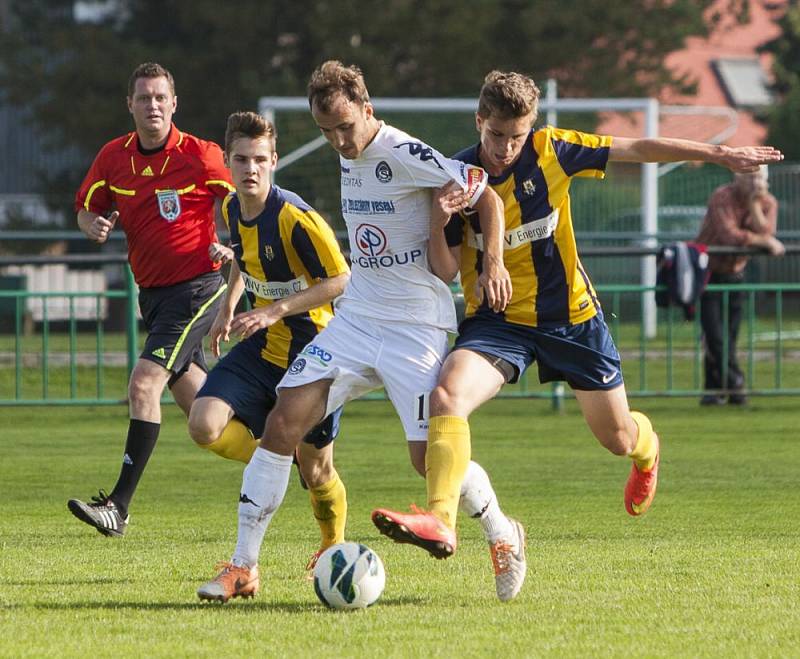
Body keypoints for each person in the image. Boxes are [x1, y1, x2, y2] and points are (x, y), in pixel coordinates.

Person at [373, 70, 784, 554]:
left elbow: (640, 148)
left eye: (516, 136)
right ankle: (441, 520)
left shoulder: (555, 150)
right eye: (496, 135)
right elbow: (442, 271)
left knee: (617, 437)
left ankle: (647, 449)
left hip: (571, 319)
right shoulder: (455, 177)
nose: (506, 148)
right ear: (479, 121)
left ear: (532, 128)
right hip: (498, 322)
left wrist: (719, 155)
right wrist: (438, 219)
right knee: (446, 395)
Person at [197, 60, 526, 604]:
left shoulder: (402, 151)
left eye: (346, 128)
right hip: (356, 321)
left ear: (367, 110)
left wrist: (492, 261)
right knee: (284, 422)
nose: (339, 142)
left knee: (428, 462)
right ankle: (243, 567)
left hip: (416, 326)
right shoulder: (347, 155)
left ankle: (501, 530)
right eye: (326, 132)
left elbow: (485, 195)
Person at [68, 62, 234, 536]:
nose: (153, 105)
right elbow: (86, 206)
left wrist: (235, 244)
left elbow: (248, 195)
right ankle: (290, 446)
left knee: (143, 387)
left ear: (174, 104)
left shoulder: (201, 155)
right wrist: (91, 225)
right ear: (131, 105)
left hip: (199, 288)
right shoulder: (112, 158)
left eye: (161, 97)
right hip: (154, 298)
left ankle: (118, 507)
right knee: (208, 415)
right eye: (144, 98)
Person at [187, 111, 351, 579]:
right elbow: (242, 258)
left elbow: (340, 280)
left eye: (260, 159)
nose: (250, 169)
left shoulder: (297, 218)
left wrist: (275, 310)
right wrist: (226, 309)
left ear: (274, 160)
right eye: (241, 159)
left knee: (317, 472)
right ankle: (276, 455)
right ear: (227, 161)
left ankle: (333, 546)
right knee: (204, 425)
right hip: (261, 350)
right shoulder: (230, 208)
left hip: (313, 354)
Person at [696, 167, 784, 405]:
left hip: (735, 273)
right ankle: (735, 383)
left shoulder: (768, 202)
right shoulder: (722, 196)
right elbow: (729, 236)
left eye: (759, 177)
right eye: (750, 176)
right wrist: (763, 241)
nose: (755, 182)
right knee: (714, 335)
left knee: (730, 335)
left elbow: (768, 231)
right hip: (709, 272)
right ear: (738, 177)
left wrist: (755, 205)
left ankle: (714, 391)